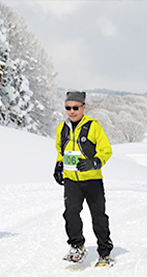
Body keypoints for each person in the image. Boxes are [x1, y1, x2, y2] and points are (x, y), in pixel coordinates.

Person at [53, 91, 114, 267]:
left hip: (92, 180)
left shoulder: (93, 126)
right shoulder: (61, 128)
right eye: (68, 108)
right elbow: (61, 150)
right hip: (72, 180)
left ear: (83, 107)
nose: (71, 111)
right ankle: (77, 246)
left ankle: (104, 252)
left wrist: (93, 162)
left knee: (99, 217)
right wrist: (58, 166)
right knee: (70, 212)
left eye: (75, 107)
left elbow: (106, 150)